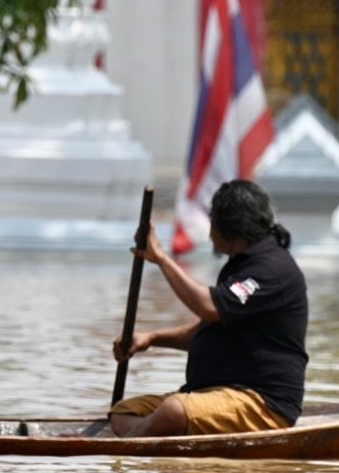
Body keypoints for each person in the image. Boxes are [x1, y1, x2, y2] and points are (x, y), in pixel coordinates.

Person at [109, 179, 308, 437]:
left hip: (261, 403)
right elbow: (209, 329)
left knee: (174, 411)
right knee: (123, 411)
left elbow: (209, 307)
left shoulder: (270, 269)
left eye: (212, 221)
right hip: (212, 394)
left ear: (229, 227)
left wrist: (160, 258)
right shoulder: (240, 265)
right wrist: (151, 338)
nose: (209, 230)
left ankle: (132, 447)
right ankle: (153, 436)